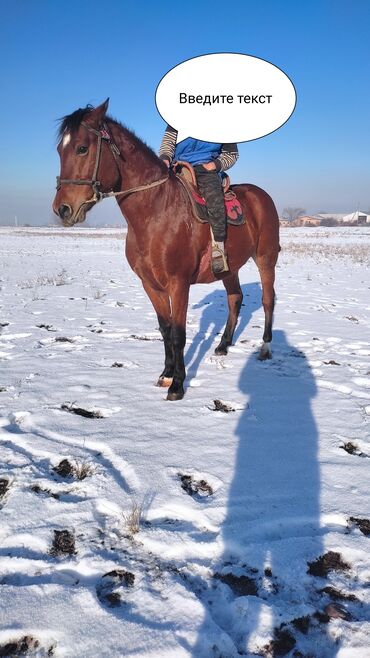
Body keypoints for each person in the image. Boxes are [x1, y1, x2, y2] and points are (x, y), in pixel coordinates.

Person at [159, 125, 239, 275]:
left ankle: (218, 248)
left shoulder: (225, 123)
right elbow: (167, 145)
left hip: (205, 169)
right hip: (177, 166)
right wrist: (164, 159)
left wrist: (213, 165)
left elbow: (231, 155)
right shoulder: (175, 118)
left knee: (214, 201)